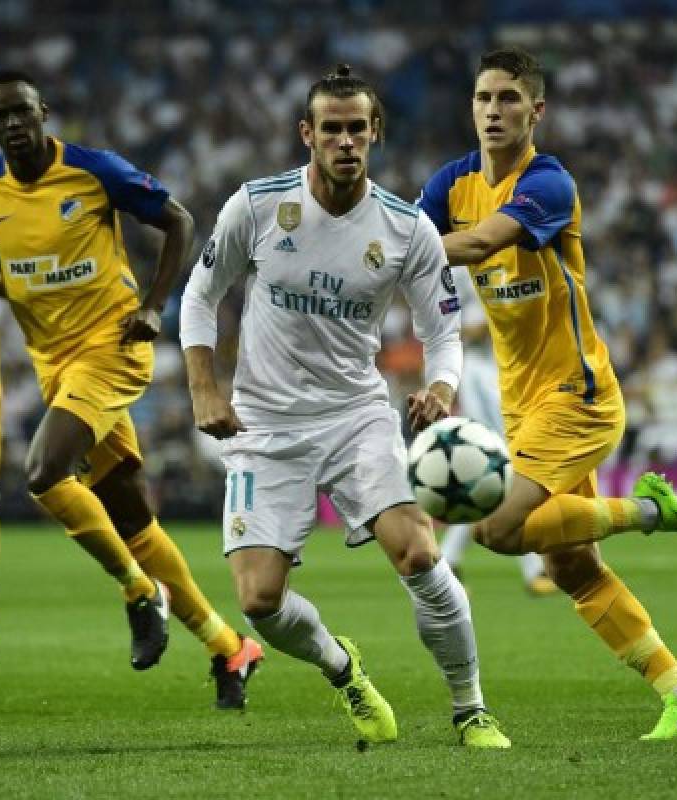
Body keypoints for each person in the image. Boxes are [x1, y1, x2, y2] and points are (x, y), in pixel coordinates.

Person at [180, 65, 509, 748]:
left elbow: (441, 331)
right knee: (258, 601)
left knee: (418, 552)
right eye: (331, 128)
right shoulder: (257, 206)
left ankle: (470, 706)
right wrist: (205, 389)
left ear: (375, 133)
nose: (346, 140)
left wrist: (441, 388)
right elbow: (199, 298)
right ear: (308, 134)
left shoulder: (405, 227)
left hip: (355, 415)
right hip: (263, 422)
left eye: (358, 128)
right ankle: (344, 670)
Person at [418, 47, 677, 740]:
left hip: (576, 397)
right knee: (573, 569)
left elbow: (478, 243)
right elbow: (410, 230)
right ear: (471, 105)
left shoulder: (548, 185)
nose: (494, 111)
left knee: (496, 528)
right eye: (484, 98)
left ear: (536, 111)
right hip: (525, 405)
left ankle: (649, 510)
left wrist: (394, 249)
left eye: (509, 100)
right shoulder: (452, 181)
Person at [0, 70, 262, 708]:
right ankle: (231, 648)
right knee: (131, 515)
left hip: (113, 347)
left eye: (22, 112)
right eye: (0, 116)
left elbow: (178, 221)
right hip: (53, 363)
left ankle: (138, 591)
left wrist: (153, 306)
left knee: (42, 472)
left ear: (44, 113)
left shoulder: (94, 171)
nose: (13, 124)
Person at [439, 270, 555, 596]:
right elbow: (462, 323)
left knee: (491, 475)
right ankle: (534, 568)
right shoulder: (467, 263)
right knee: (504, 461)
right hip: (479, 372)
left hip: (503, 371)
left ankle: (447, 559)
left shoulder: (496, 253)